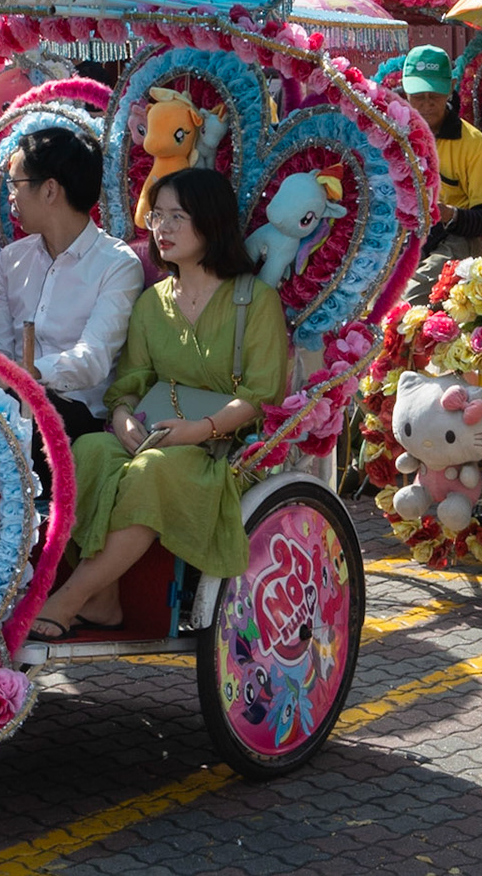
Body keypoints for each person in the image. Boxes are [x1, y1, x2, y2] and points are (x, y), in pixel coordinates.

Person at [31, 168, 287, 641]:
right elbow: (130, 381)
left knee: (152, 471)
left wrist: (200, 429)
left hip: (220, 450)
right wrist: (124, 417)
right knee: (84, 454)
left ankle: (67, 599)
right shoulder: (152, 303)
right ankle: (104, 599)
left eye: (178, 217)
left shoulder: (255, 301)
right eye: (158, 216)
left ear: (211, 222)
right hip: (153, 434)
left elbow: (260, 395)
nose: (162, 228)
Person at [0, 127, 145, 442]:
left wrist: (28, 373)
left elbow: (93, 359)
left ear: (49, 190)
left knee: (2, 413)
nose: (10, 196)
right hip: (9, 398)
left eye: (16, 183)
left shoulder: (117, 264)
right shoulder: (13, 259)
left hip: (76, 414)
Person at [400, 45, 482, 303]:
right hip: (402, 233)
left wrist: (449, 215)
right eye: (417, 96)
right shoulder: (390, 134)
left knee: (410, 296)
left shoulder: (474, 144)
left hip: (456, 238)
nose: (425, 104)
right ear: (404, 90)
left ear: (451, 87)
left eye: (433, 96)